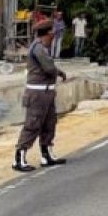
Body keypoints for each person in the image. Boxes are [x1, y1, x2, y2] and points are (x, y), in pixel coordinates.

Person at [13, 21, 68, 172]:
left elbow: (51, 68)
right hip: (37, 93)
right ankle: (19, 158)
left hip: (47, 92)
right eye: (53, 33)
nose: (54, 36)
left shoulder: (42, 48)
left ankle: (47, 155)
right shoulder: (38, 48)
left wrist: (60, 72)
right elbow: (49, 68)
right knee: (33, 125)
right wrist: (58, 72)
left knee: (49, 124)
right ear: (48, 33)